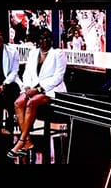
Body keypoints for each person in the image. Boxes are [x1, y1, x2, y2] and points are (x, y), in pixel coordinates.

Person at [9, 29, 67, 158]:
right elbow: (27, 73)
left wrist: (39, 89)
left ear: (51, 40)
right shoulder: (33, 53)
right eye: (42, 38)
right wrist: (27, 87)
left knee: (31, 103)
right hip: (33, 88)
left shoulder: (58, 54)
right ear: (38, 40)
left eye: (47, 38)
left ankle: (21, 141)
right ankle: (28, 141)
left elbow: (58, 77)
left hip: (52, 91)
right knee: (18, 103)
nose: (44, 41)